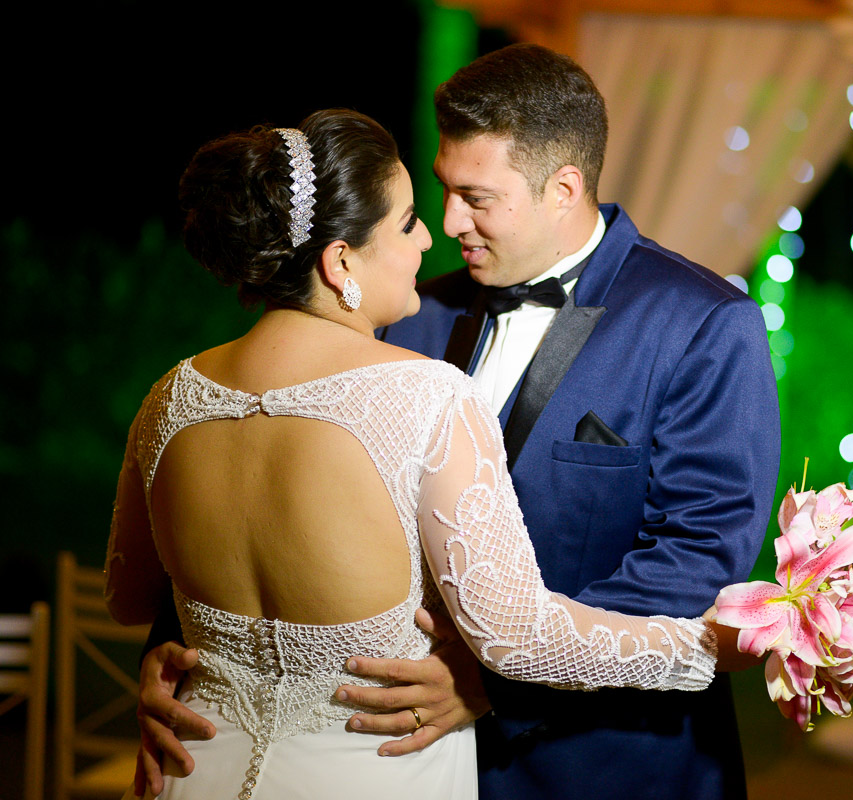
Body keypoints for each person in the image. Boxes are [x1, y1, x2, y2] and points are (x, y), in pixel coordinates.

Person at [107, 108, 734, 800]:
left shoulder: (170, 398)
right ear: (340, 261)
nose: (434, 234)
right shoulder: (425, 394)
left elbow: (129, 595)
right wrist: (705, 647)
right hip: (368, 772)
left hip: (200, 771)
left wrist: (197, 655)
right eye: (408, 222)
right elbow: (519, 638)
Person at [363, 44, 781, 799]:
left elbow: (697, 557)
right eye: (444, 190)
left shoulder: (704, 322)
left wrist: (503, 681)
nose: (448, 220)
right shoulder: (413, 315)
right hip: (410, 758)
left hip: (610, 763)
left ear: (564, 188)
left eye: (477, 197)